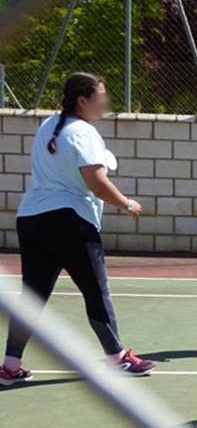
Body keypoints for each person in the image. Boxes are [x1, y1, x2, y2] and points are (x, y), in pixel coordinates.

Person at [3, 72, 154, 386]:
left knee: (32, 296)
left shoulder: (48, 126)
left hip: (31, 219)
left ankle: (10, 365)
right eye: (101, 95)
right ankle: (117, 358)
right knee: (96, 292)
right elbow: (97, 183)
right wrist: (127, 204)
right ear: (82, 100)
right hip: (69, 222)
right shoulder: (83, 132)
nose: (105, 101)